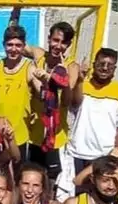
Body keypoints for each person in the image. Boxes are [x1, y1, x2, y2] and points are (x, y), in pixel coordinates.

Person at [68, 48, 118, 191]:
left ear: (114, 69)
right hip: (76, 152)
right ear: (94, 65)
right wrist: (79, 80)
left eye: (109, 65)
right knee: (77, 193)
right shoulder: (82, 85)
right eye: (101, 64)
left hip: (104, 154)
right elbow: (74, 103)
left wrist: (115, 152)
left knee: (100, 194)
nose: (105, 68)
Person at [25, 21, 78, 183]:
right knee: (31, 182)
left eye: (63, 42)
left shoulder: (71, 67)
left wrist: (57, 79)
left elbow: (66, 102)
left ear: (68, 45)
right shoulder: (39, 55)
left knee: (52, 183)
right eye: (55, 40)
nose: (58, 46)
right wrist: (16, 12)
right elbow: (15, 40)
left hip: (55, 138)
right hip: (34, 136)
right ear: (49, 39)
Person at [0, 25, 40, 159]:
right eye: (10, 45)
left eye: (18, 45)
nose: (13, 49)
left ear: (24, 46)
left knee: (18, 170)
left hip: (20, 136)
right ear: (4, 45)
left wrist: (47, 81)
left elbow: (43, 94)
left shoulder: (30, 68)